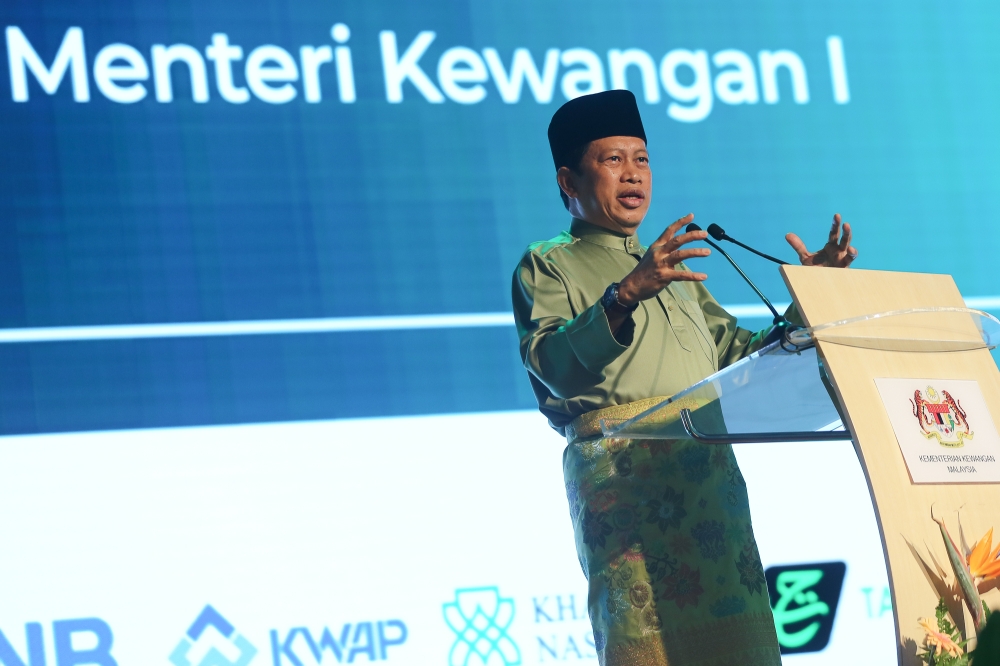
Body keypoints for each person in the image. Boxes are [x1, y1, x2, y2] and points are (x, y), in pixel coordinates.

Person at [511, 90, 857, 666]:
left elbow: (741, 355)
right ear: (568, 181)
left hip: (708, 479)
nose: (633, 174)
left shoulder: (670, 266)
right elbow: (552, 367)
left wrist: (811, 297)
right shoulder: (549, 263)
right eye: (613, 159)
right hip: (625, 480)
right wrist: (624, 295)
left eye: (642, 159)